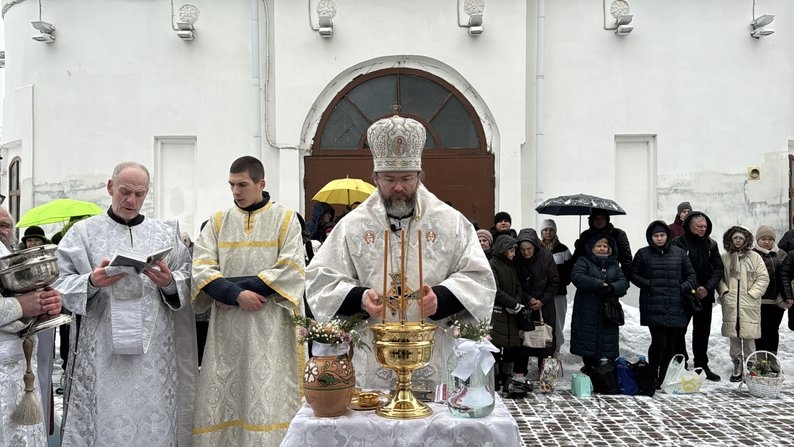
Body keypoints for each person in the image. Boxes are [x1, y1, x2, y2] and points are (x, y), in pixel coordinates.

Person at [305, 113, 496, 392]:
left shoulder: (450, 222)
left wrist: (442, 297)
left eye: (406, 178)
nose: (398, 187)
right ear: (374, 177)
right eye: (389, 179)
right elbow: (320, 280)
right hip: (374, 358)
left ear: (420, 176)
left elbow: (479, 278)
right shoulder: (353, 225)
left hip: (433, 354)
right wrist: (359, 299)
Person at [54, 161, 197, 446]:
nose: (131, 200)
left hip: (155, 356)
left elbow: (188, 277)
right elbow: (58, 283)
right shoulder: (83, 233)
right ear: (110, 187)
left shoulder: (165, 234)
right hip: (101, 352)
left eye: (139, 194)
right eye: (125, 191)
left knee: (153, 421)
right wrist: (91, 281)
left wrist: (169, 282)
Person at [191, 156, 305, 447]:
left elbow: (292, 267)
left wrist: (233, 291)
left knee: (265, 393)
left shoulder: (287, 219)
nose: (236, 192)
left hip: (269, 328)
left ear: (261, 184)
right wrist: (234, 294)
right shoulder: (217, 222)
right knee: (228, 393)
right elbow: (201, 267)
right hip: (227, 329)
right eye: (231, 185)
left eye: (242, 185)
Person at [0, 206, 63, 446]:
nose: (2, 232)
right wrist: (20, 306)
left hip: (22, 371)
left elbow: (28, 310)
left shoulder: (12, 262)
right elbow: (20, 306)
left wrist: (46, 306)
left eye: (5, 226)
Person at [630, 221, 696, 387]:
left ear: (667, 236)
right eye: (656, 236)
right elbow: (633, 274)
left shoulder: (679, 253)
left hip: (675, 303)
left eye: (662, 235)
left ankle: (664, 376)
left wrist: (682, 288)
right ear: (650, 237)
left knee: (671, 343)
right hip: (653, 304)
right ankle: (652, 374)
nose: (659, 238)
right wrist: (649, 284)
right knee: (659, 341)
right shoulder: (643, 254)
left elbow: (691, 276)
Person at [671, 211, 724, 381]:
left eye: (705, 226)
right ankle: (682, 363)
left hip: (705, 295)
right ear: (689, 226)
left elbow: (718, 268)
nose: (702, 229)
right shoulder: (678, 243)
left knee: (702, 332)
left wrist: (707, 287)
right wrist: (693, 287)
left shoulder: (711, 244)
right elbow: (677, 268)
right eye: (699, 226)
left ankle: (702, 365)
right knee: (679, 331)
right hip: (684, 294)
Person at [717, 226, 769, 382]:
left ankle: (751, 365)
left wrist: (753, 293)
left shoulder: (754, 257)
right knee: (734, 335)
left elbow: (763, 277)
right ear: (730, 240)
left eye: (741, 238)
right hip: (731, 303)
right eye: (735, 238)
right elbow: (719, 278)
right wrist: (724, 292)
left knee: (749, 335)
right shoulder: (725, 257)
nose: (738, 241)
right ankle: (737, 364)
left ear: (746, 240)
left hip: (749, 303)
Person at [570, 235, 629, 371]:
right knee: (587, 344)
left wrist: (612, 288)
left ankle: (604, 373)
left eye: (605, 246)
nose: (602, 249)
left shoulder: (614, 264)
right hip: (587, 309)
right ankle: (590, 370)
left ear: (609, 249)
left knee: (607, 344)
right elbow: (577, 277)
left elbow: (623, 282)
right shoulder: (583, 261)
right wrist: (599, 284)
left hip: (608, 312)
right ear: (592, 248)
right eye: (598, 246)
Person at [487, 235, 530, 397]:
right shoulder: (493, 265)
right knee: (496, 346)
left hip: (512, 313)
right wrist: (512, 304)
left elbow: (518, 286)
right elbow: (495, 290)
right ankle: (495, 378)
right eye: (511, 250)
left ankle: (507, 378)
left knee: (511, 346)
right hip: (498, 312)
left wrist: (517, 303)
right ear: (504, 249)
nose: (514, 253)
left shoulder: (511, 265)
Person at [514, 228, 559, 373]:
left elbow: (554, 281)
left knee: (547, 340)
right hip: (525, 303)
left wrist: (542, 300)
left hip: (545, 305)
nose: (526, 252)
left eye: (529, 249)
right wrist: (528, 298)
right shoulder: (516, 259)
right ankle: (520, 374)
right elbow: (516, 282)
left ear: (535, 246)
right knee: (524, 339)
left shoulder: (546, 257)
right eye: (523, 249)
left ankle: (546, 375)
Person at [539, 219, 573, 357]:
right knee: (542, 323)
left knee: (558, 323)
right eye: (545, 230)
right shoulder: (537, 248)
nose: (548, 233)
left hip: (558, 294)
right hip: (541, 294)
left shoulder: (563, 249)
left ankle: (556, 350)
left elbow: (569, 272)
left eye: (551, 230)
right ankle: (542, 350)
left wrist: (558, 284)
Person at [752, 225, 787, 356]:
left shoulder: (782, 254)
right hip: (758, 300)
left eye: (770, 239)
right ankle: (760, 359)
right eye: (763, 239)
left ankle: (772, 358)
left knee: (773, 330)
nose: (767, 242)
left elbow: (787, 275)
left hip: (776, 300)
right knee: (759, 330)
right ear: (758, 239)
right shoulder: (752, 254)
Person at [572, 211, 633, 281]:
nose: (599, 221)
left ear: (607, 219)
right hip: (589, 278)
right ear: (591, 220)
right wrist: (579, 246)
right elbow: (577, 259)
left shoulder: (618, 234)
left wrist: (624, 281)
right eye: (596, 218)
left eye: (602, 218)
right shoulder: (585, 235)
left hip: (612, 276)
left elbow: (626, 259)